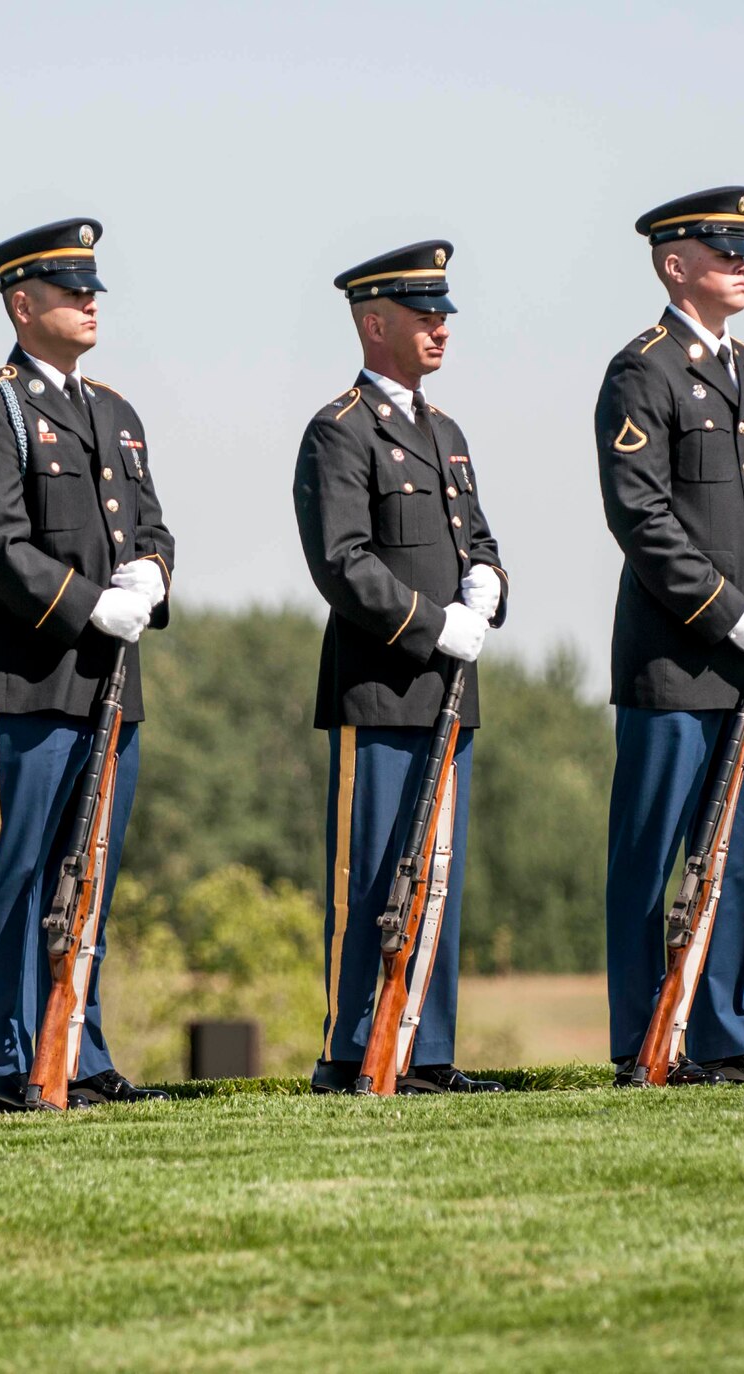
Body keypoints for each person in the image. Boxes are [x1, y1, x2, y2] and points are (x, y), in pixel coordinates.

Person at [0, 218, 178, 1114]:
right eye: (72, 292)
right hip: (28, 674)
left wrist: (154, 569)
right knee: (17, 874)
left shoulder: (112, 411)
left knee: (92, 872)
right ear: (21, 303)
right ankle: (0, 1066)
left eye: (92, 291)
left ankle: (78, 1051)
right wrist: (87, 604)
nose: (89, 303)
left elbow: (149, 522)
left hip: (112, 681)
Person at [593, 187, 744, 1086]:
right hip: (676, 658)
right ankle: (647, 1040)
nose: (743, 264)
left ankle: (722, 1031)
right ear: (674, 264)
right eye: (725, 252)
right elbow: (640, 517)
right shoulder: (640, 370)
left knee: (740, 852)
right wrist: (733, 612)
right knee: (653, 854)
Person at [291, 240, 511, 1095]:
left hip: (451, 691)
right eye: (425, 316)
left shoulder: (444, 432)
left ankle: (428, 1051)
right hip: (380, 688)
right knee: (373, 877)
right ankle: (353, 1053)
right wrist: (433, 626)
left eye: (444, 315)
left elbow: (476, 537)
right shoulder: (340, 430)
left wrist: (492, 578)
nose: (441, 329)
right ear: (373, 323)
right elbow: (343, 561)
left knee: (440, 878)